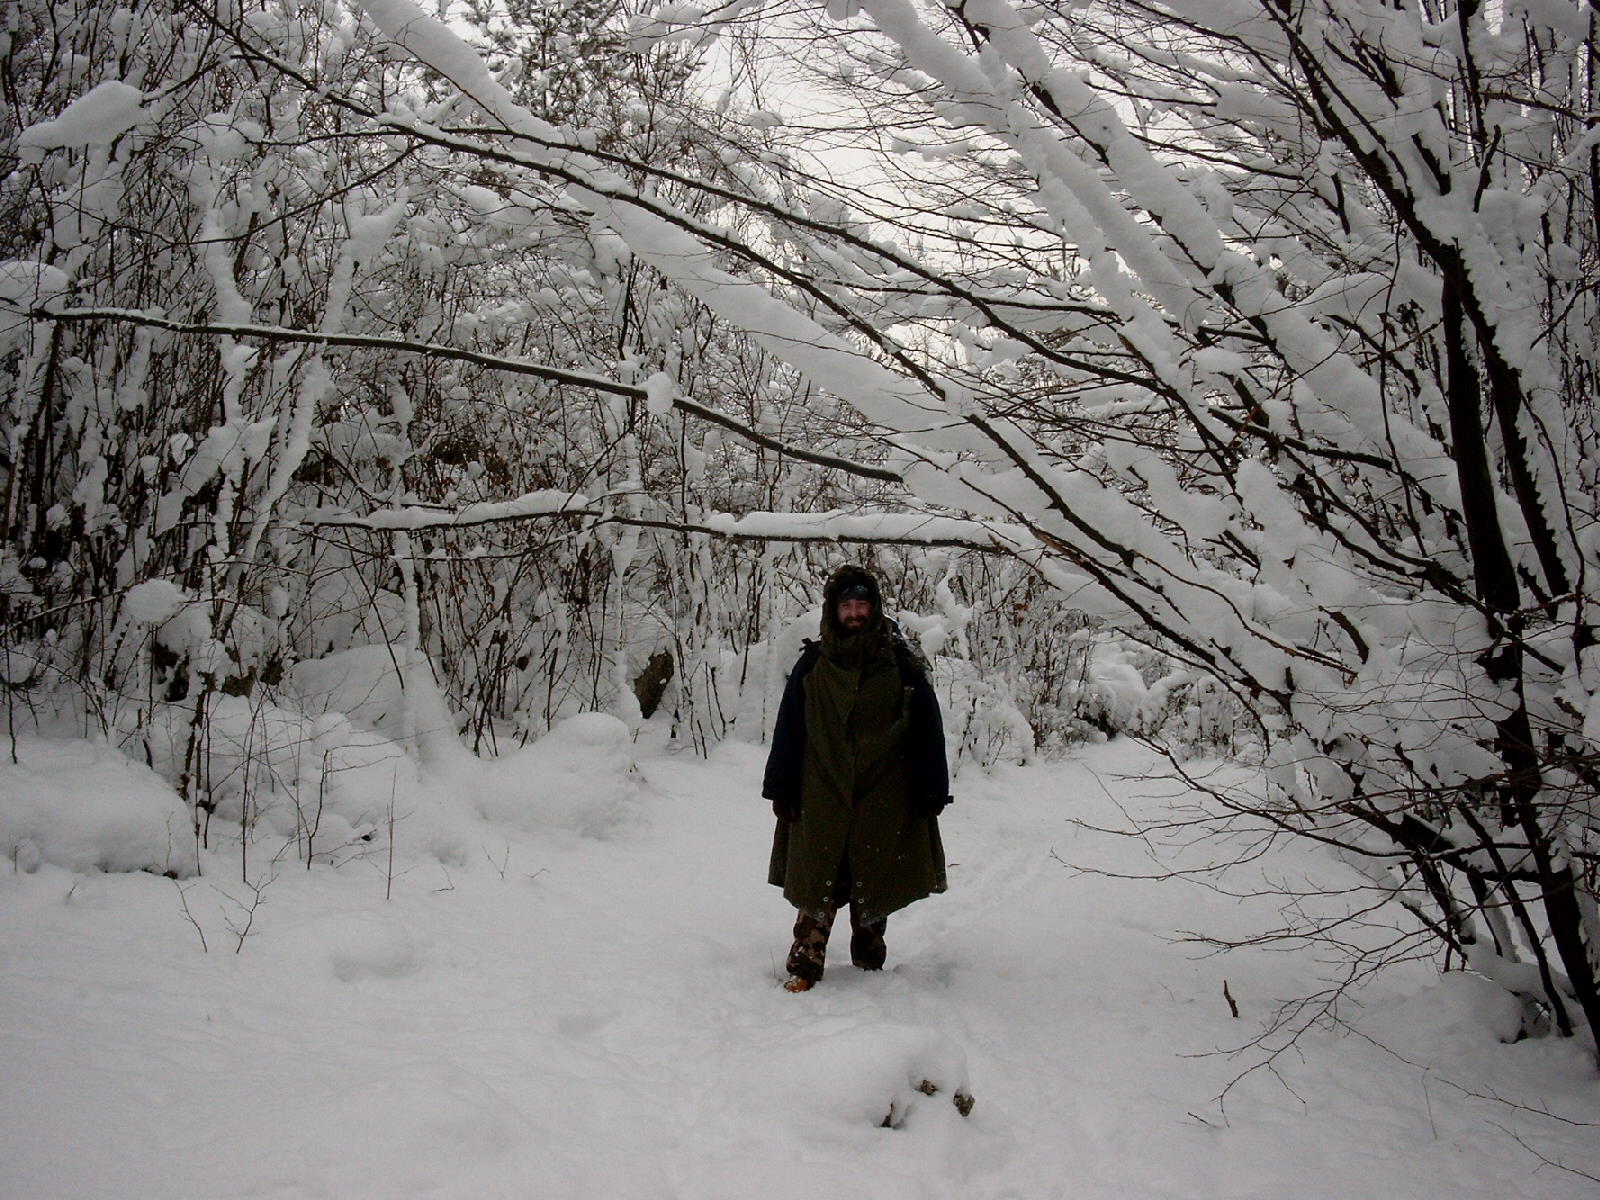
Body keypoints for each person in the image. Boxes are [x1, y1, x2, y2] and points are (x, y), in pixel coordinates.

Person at [762, 565, 951, 992]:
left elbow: (927, 727)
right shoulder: (814, 661)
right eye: (846, 605)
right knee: (820, 871)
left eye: (862, 604)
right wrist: (780, 787)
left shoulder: (900, 661)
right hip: (821, 788)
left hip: (885, 789)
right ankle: (806, 961)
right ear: (834, 609)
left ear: (874, 607)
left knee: (875, 868)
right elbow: (790, 726)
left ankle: (869, 957)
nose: (854, 613)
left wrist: (932, 787)